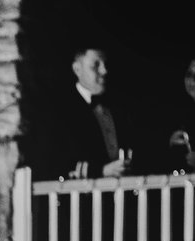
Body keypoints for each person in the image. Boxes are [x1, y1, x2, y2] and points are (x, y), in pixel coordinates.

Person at [34, 46, 128, 180]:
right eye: (95, 65)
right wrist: (101, 171)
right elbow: (51, 163)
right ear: (77, 69)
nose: (104, 70)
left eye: (105, 64)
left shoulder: (117, 106)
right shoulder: (59, 110)